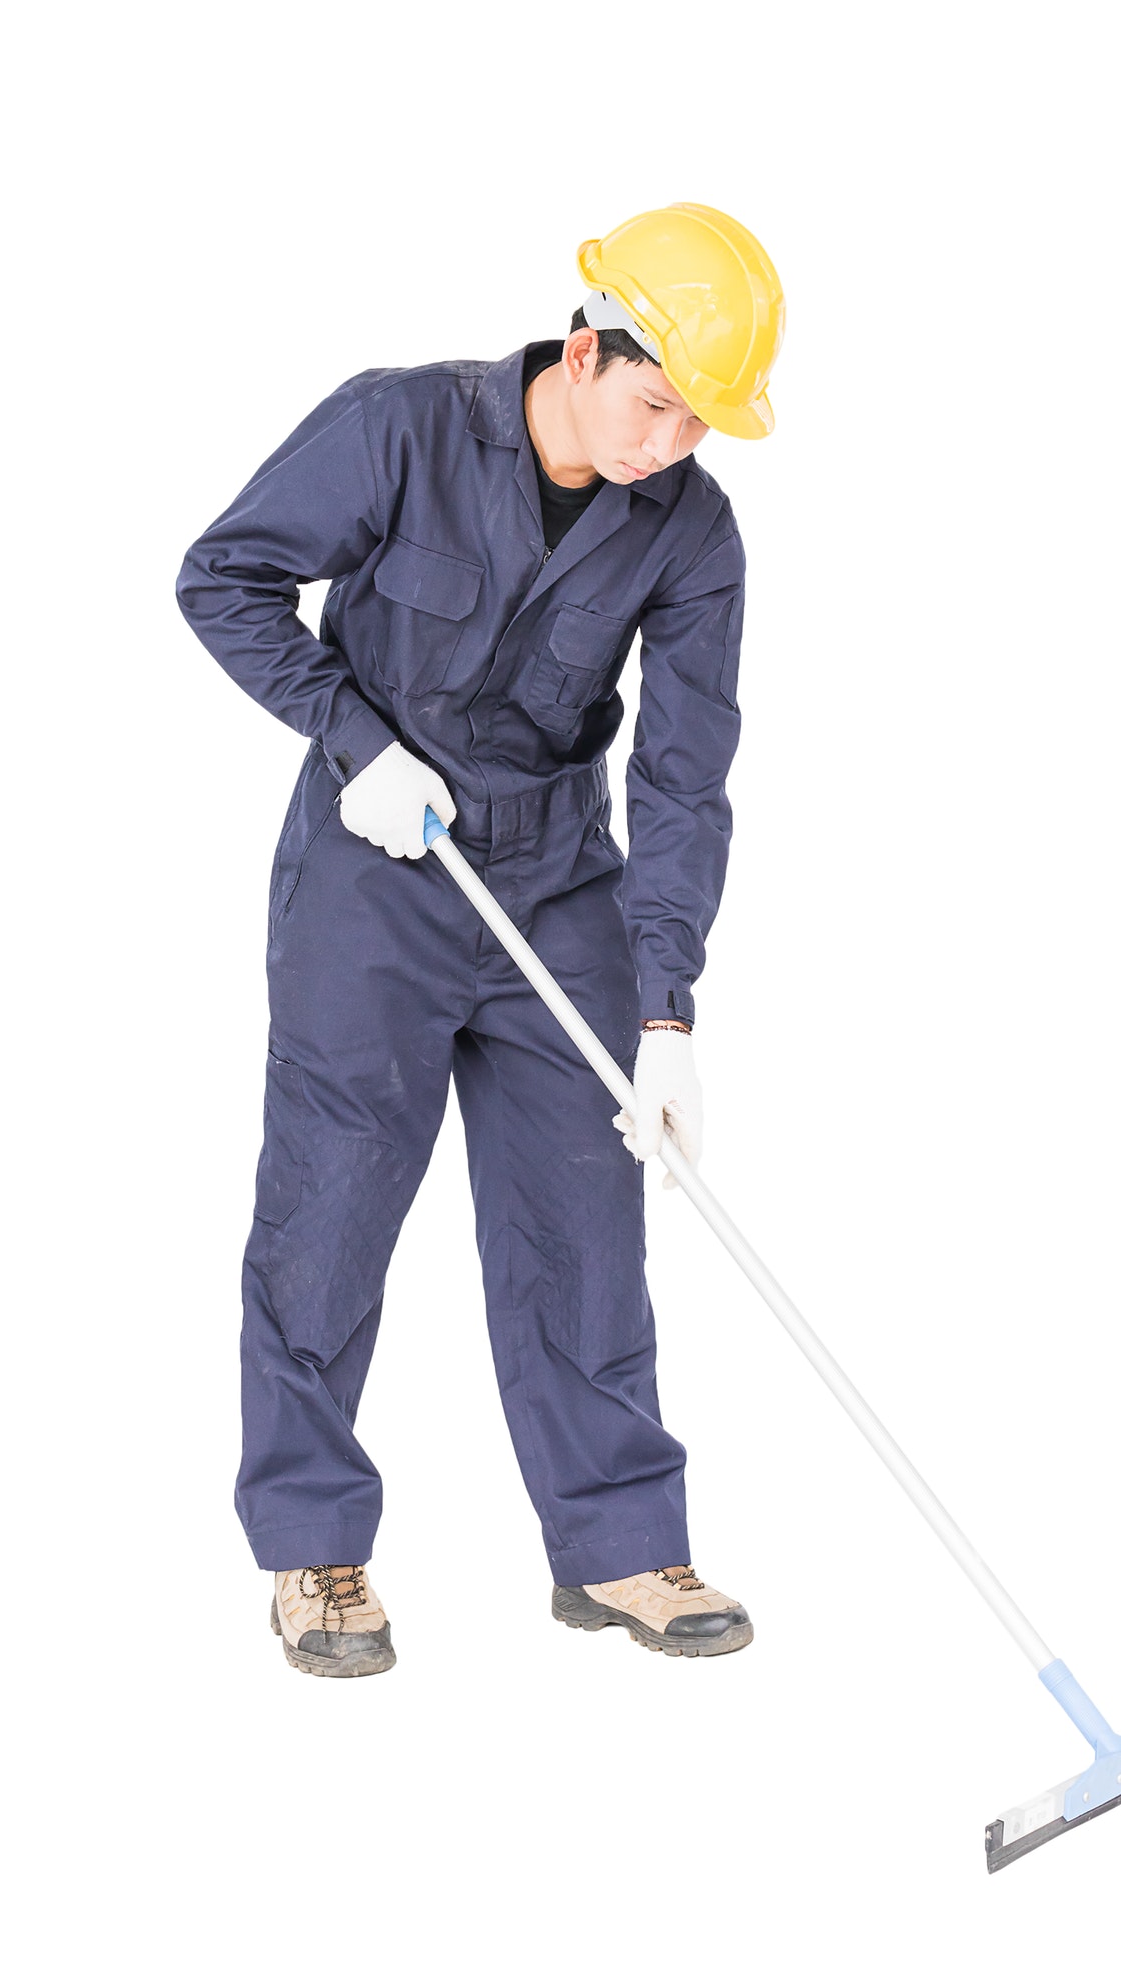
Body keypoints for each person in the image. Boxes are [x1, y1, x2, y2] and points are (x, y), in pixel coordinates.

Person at [176, 203, 785, 1678]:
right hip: (374, 873)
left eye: (698, 424)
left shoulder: (692, 530)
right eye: (652, 404)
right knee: (329, 1207)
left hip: (558, 878)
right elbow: (224, 576)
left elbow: (682, 774)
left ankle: (620, 1547)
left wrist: (666, 1013)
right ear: (585, 349)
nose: (665, 446)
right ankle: (317, 1552)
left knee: (585, 1217)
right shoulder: (400, 426)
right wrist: (350, 738)